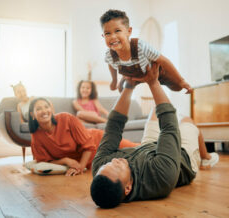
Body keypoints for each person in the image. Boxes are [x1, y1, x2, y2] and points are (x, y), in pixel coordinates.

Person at [90, 62, 218, 209]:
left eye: (108, 163)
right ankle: (205, 158)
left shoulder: (101, 170)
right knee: (187, 121)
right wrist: (153, 82)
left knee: (154, 110)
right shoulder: (160, 178)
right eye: (117, 167)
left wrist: (129, 86)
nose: (115, 161)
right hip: (183, 158)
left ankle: (205, 155)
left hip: (147, 148)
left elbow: (113, 127)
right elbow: (169, 127)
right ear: (128, 188)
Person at [28, 97, 139, 177]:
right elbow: (44, 161)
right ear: (32, 114)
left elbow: (89, 146)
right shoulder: (36, 135)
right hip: (94, 161)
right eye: (38, 109)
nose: (44, 111)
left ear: (51, 109)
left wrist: (80, 167)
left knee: (136, 149)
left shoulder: (66, 118)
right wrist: (66, 161)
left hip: (99, 141)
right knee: (129, 161)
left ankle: (153, 145)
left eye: (46, 107)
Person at [100, 9, 192, 93]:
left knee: (177, 87)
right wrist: (114, 80)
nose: (112, 37)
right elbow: (111, 65)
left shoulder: (140, 46)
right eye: (107, 33)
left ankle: (177, 83)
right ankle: (124, 79)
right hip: (135, 77)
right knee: (123, 89)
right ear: (103, 36)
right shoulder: (109, 55)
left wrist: (181, 81)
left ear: (129, 31)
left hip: (155, 72)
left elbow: (163, 60)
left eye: (117, 31)